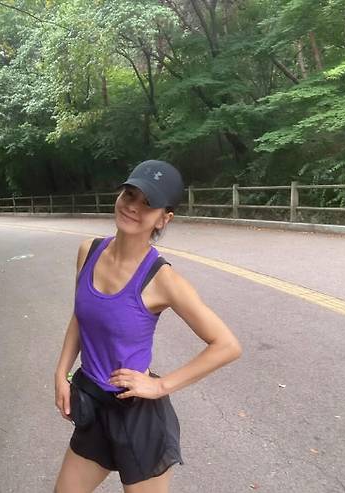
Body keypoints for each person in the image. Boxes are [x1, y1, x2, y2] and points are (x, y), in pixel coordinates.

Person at [54, 160, 242, 492]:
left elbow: (227, 345)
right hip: (94, 405)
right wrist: (61, 372)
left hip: (138, 418)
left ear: (164, 218)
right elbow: (82, 316)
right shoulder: (89, 251)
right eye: (130, 194)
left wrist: (160, 386)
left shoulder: (162, 279)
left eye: (148, 203)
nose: (133, 207)